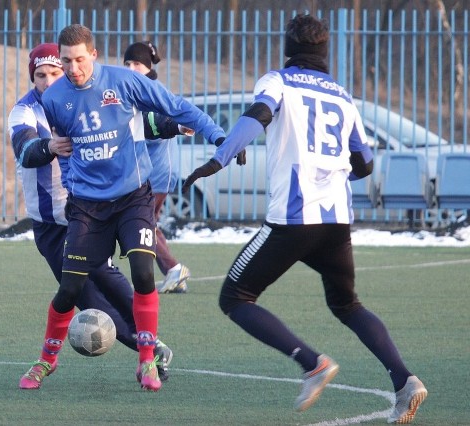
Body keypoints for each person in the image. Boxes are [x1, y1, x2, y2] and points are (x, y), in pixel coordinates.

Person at [182, 14, 427, 424]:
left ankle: (312, 363)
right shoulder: (342, 96)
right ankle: (405, 381)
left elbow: (257, 117)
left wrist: (218, 157)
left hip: (293, 220)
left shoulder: (277, 81)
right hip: (336, 222)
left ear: (288, 47)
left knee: (235, 298)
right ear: (325, 51)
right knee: (348, 304)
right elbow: (364, 163)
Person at [37, 24, 226, 392]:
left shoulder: (124, 82)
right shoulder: (54, 99)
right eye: (66, 61)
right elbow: (65, 149)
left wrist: (220, 136)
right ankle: (46, 361)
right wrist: (67, 172)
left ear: (93, 54)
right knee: (70, 288)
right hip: (88, 207)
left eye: (79, 59)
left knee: (142, 272)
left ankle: (146, 362)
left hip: (132, 197)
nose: (73, 68)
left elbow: (176, 107)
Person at [9, 43, 189, 388]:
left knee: (112, 279)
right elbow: (25, 148)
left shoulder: (89, 96)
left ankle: (150, 349)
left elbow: (135, 123)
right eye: (40, 75)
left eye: (54, 73)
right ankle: (143, 348)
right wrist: (47, 147)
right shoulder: (25, 111)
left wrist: (176, 125)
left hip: (88, 212)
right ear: (32, 77)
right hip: (50, 223)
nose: (48, 81)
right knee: (81, 294)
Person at [123, 40, 191, 294]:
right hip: (151, 173)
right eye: (127, 63)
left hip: (157, 174)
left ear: (149, 66)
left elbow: (158, 124)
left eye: (137, 63)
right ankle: (174, 273)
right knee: (146, 222)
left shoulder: (151, 91)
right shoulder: (137, 90)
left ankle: (174, 269)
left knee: (142, 223)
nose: (131, 68)